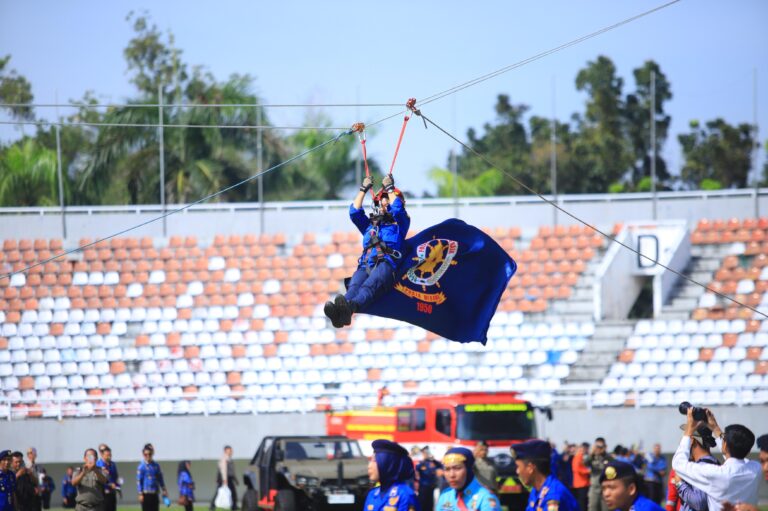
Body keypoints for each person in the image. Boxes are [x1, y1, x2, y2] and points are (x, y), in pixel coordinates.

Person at [324, 174, 410, 328]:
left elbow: (398, 210)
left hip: (386, 265)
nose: (385, 202)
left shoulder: (400, 225)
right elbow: (354, 212)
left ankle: (350, 308)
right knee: (353, 288)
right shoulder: (369, 227)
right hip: (365, 265)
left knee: (368, 287)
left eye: (388, 199)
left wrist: (390, 188)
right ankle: (339, 314)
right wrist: (363, 189)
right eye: (383, 199)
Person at [671, 407, 761, 511]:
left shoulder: (716, 473)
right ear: (749, 451)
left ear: (725, 445)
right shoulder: (756, 469)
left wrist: (688, 431)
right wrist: (715, 427)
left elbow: (678, 464)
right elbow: (735, 459)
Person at [512, 440, 579, 511]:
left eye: (518, 466)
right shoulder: (536, 491)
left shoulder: (553, 495)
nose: (517, 471)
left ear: (530, 468)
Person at [669, 424, 719, 511]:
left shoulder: (703, 466)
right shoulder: (713, 463)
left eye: (685, 439)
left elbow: (699, 503)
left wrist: (679, 483)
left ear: (692, 440)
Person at [436, 447, 500, 511]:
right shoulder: (446, 496)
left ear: (469, 469)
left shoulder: (485, 498)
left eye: (457, 468)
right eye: (447, 469)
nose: (451, 475)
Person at [363, 439, 419, 511]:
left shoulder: (404, 495)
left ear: (387, 464)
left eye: (374, 461)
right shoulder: (372, 494)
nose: (369, 466)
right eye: (370, 461)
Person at [136, 445, 167, 511]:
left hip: (154, 493)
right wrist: (140, 494)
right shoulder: (141, 466)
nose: (148, 456)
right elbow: (139, 481)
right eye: (145, 454)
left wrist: (164, 489)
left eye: (149, 454)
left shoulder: (156, 465)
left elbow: (160, 479)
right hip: (146, 494)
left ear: (152, 454)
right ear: (143, 455)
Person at [584, 437, 610, 511]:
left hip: (605, 488)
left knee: (606, 509)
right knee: (593, 508)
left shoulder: (608, 457)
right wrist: (592, 453)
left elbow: (613, 464)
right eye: (597, 446)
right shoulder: (592, 457)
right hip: (594, 487)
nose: (599, 448)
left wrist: (604, 453)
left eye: (601, 446)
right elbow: (585, 463)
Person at [211, 446, 238, 511]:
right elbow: (223, 469)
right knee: (220, 491)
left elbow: (232, 470)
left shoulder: (229, 458)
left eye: (231, 450)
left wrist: (235, 479)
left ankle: (234, 506)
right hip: (225, 478)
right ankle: (212, 505)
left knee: (232, 492)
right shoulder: (224, 458)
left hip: (229, 478)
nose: (231, 452)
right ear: (226, 450)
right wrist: (224, 479)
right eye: (230, 450)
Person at [415, 446, 442, 511]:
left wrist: (433, 459)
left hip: (431, 487)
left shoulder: (432, 462)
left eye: (427, 452)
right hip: (423, 487)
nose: (426, 454)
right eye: (424, 453)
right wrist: (424, 460)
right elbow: (417, 469)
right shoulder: (421, 463)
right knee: (422, 504)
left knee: (430, 504)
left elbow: (440, 466)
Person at [96, 446, 119, 511]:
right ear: (102, 455)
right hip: (102, 493)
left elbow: (115, 477)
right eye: (107, 455)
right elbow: (99, 479)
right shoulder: (98, 465)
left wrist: (117, 485)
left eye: (110, 455)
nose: (109, 457)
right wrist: (109, 484)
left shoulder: (113, 464)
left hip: (112, 492)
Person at [572, 443, 591, 511]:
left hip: (581, 483)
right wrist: (588, 471)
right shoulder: (578, 457)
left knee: (583, 502)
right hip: (581, 483)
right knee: (582, 503)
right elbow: (577, 469)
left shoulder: (579, 457)